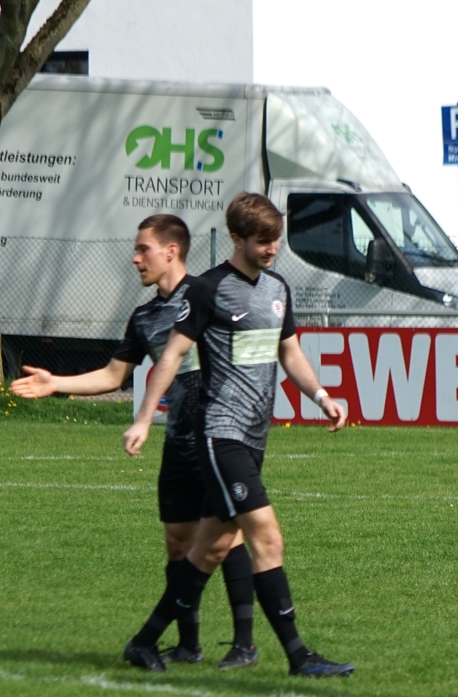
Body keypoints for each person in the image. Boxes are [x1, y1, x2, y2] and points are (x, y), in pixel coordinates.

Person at [122, 192, 354, 678]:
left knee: (208, 550)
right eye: (262, 241)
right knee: (267, 538)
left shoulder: (278, 288)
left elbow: (290, 353)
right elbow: (171, 355)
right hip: (219, 434)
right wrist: (144, 418)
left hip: (253, 437)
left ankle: (143, 642)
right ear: (236, 238)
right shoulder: (208, 290)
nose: (271, 249)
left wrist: (321, 396)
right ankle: (298, 656)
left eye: (276, 240)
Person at [10, 214, 258, 669]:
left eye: (144, 249)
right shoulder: (144, 316)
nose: (135, 258)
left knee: (227, 538)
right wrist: (56, 383)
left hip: (217, 438)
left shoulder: (207, 295)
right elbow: (113, 375)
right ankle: (188, 645)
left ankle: (244, 645)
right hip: (177, 440)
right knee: (178, 542)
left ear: (171, 251)